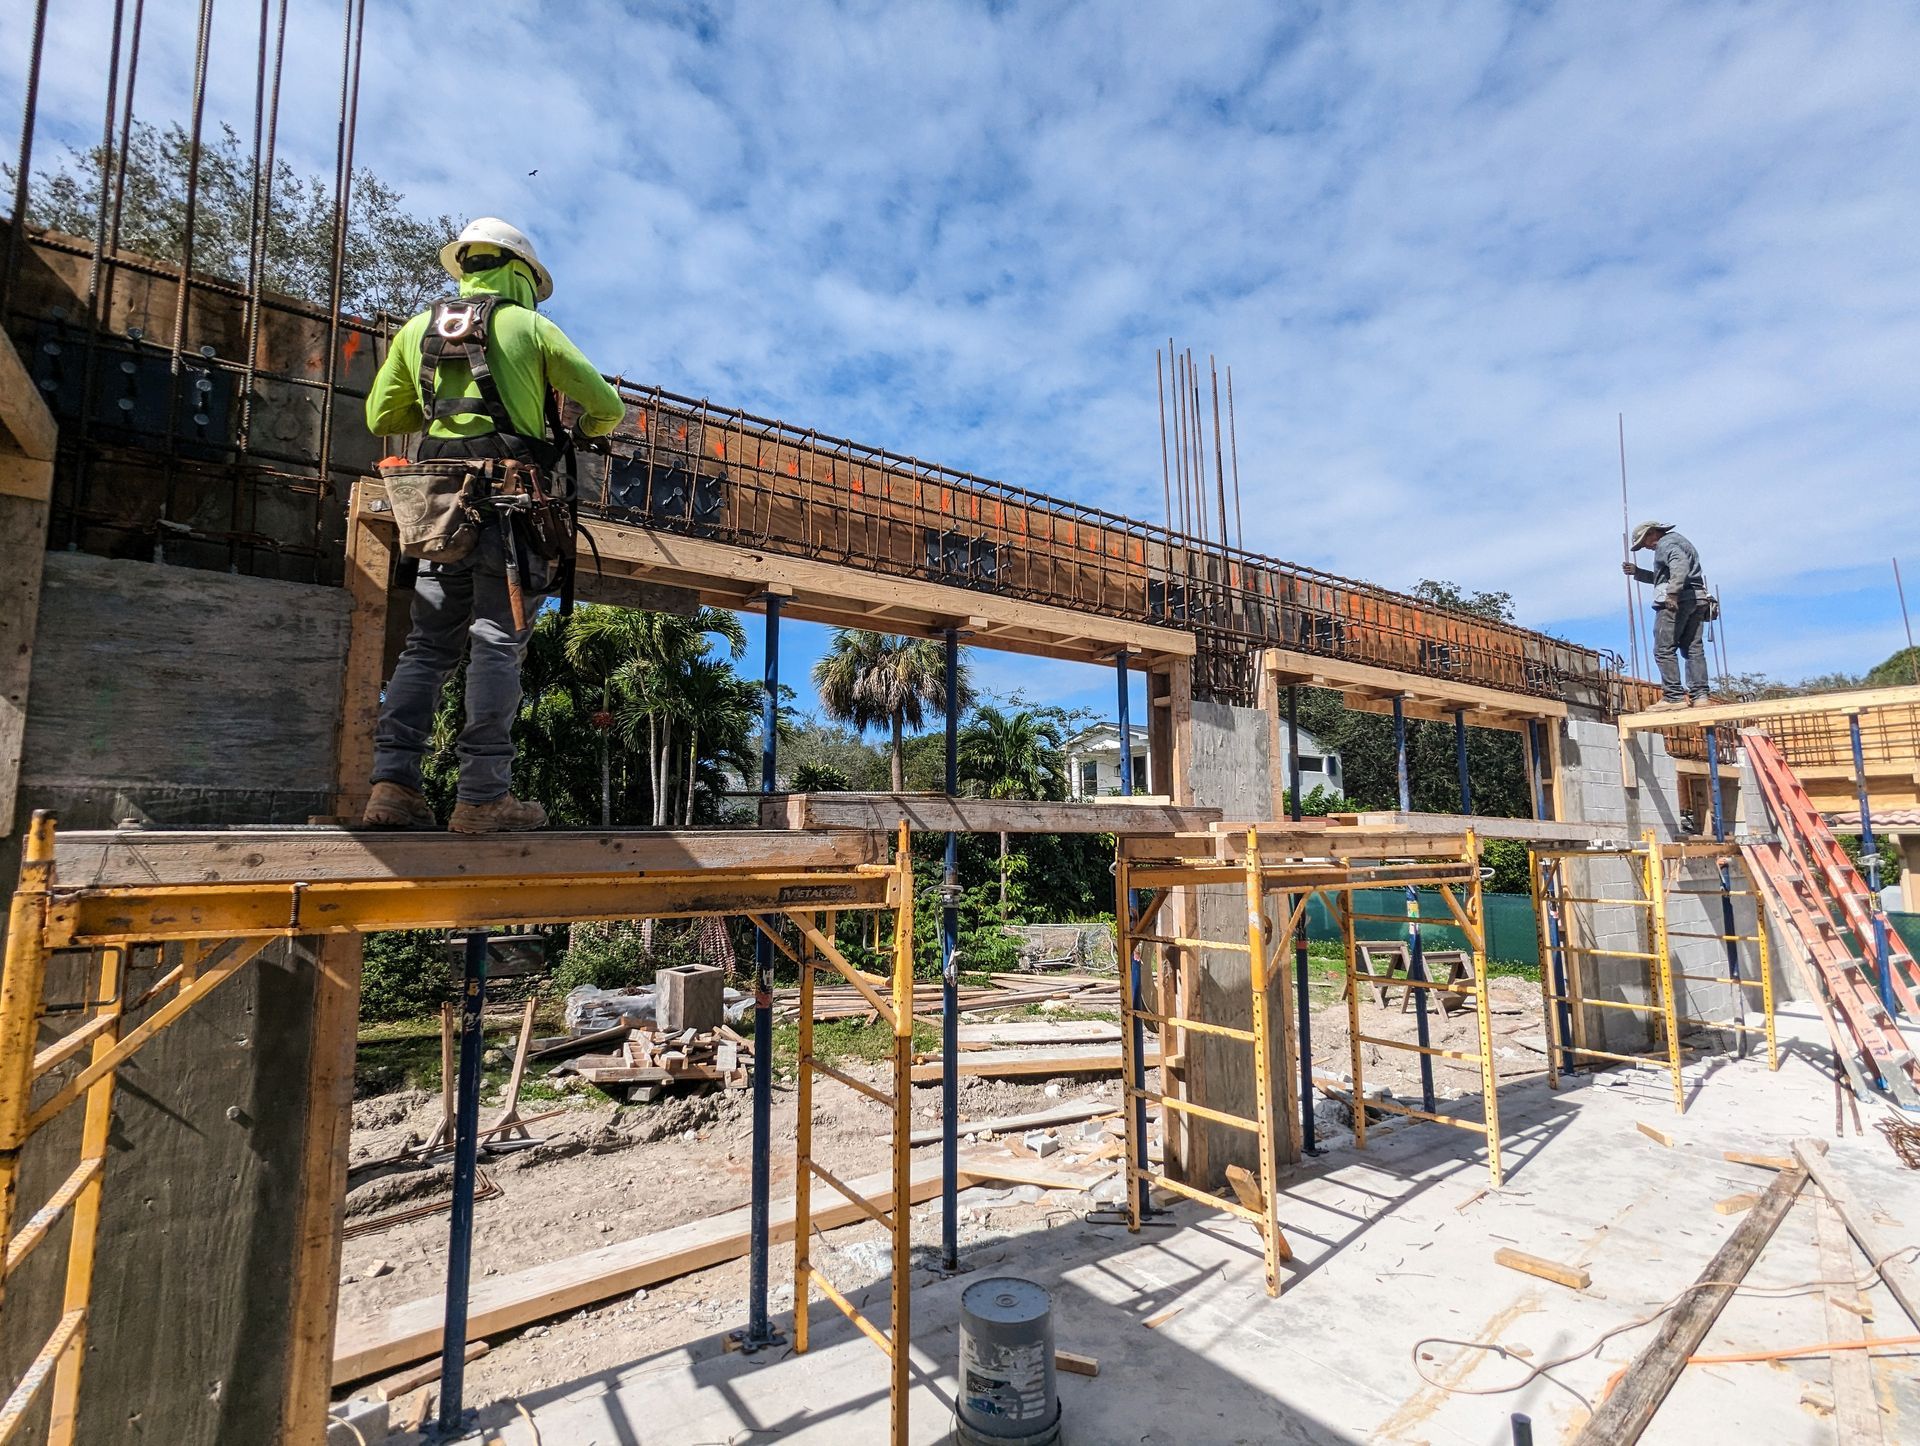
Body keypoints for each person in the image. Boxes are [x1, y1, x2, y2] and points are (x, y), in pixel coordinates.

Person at [361, 218, 625, 832]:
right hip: (511, 507)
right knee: (498, 643)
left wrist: (436, 410)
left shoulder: (416, 330)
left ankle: (392, 789)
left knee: (427, 647)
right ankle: (482, 797)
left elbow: (382, 413)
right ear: (521, 274)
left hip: (440, 510)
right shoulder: (527, 325)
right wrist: (580, 433)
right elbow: (607, 409)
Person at [1623, 520, 1711, 712]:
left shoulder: (1666, 544)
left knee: (1663, 648)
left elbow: (1679, 565)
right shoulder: (1679, 541)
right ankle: (1700, 696)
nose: (1646, 547)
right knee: (1693, 648)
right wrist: (1638, 573)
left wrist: (1672, 593)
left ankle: (1673, 696)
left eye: (1644, 542)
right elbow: (1672, 574)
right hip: (1696, 598)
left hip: (1677, 601)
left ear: (1653, 532)